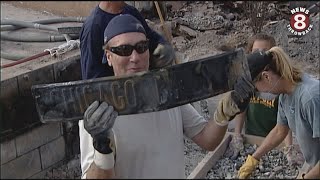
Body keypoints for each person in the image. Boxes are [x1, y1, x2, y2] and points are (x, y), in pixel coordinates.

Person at [78, 14, 268, 179]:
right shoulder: (97, 113)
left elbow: (207, 140)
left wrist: (225, 112)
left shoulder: (167, 93)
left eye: (141, 47)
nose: (135, 57)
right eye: (123, 50)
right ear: (108, 56)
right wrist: (102, 146)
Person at [237, 46, 320, 179]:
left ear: (266, 77)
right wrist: (253, 159)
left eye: (256, 87)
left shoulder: (310, 98)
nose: (258, 92)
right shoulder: (285, 96)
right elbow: (279, 131)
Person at [228, 33, 304, 166]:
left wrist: (288, 147)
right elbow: (242, 109)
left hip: (275, 140)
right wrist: (237, 135)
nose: (259, 56)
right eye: (256, 52)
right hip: (252, 137)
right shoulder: (249, 81)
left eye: (264, 52)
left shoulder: (278, 84)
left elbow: (284, 124)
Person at [80, 1, 175, 80]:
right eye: (124, 49)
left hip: (142, 85)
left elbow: (151, 37)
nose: (134, 57)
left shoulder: (130, 12)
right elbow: (91, 79)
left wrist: (162, 44)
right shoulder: (92, 28)